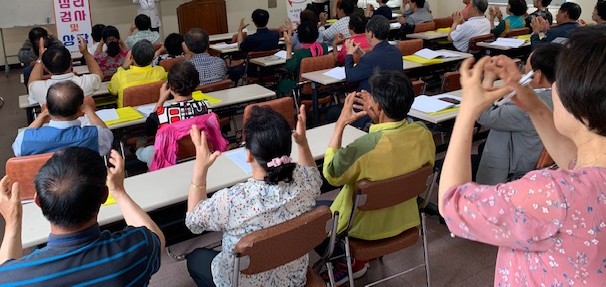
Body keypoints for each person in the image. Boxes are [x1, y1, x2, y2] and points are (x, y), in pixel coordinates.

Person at [439, 25, 606, 287]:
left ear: (580, 103)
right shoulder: (590, 176)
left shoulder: (552, 193)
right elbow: (574, 162)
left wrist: (467, 111)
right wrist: (533, 104)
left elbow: (453, 206)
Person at [185, 105, 322, 287]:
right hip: (294, 280)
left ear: (248, 155)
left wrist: (200, 168)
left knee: (195, 259)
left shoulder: (231, 200)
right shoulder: (306, 182)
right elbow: (313, 174)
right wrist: (303, 144)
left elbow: (193, 223)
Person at [0, 147, 164, 286]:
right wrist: (118, 191)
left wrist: (12, 223)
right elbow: (157, 239)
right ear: (104, 195)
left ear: (38, 201)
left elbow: (0, 276)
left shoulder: (11, 278)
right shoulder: (138, 247)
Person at [322, 72, 436, 285]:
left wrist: (340, 124)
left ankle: (351, 264)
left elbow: (331, 173)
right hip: (406, 218)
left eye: (373, 100)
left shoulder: (364, 148)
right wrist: (377, 110)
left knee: (317, 214)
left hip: (362, 230)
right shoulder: (423, 133)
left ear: (380, 108)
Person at [475, 43, 563, 184]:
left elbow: (482, 114)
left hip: (510, 174)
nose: (523, 70)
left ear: (537, 76)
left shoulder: (528, 107)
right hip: (537, 162)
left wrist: (488, 78)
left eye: (525, 67)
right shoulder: (563, 95)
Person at [328, 15, 404, 130]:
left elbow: (350, 76)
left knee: (332, 112)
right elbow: (377, 63)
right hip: (391, 104)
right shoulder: (396, 51)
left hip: (369, 108)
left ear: (371, 34)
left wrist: (349, 55)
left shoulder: (369, 59)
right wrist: (362, 53)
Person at [136, 62, 209, 168]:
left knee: (144, 146)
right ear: (196, 84)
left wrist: (161, 99)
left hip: (169, 160)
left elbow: (149, 131)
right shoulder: (205, 107)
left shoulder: (162, 114)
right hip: (198, 156)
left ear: (170, 86)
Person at [13, 81, 114, 156]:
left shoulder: (26, 139)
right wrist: (89, 111)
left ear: (47, 107)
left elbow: (17, 149)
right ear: (80, 109)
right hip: (84, 183)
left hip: (45, 184)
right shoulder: (94, 136)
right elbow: (107, 137)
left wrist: (41, 116)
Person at [28, 36, 103, 105]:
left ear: (46, 68)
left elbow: (31, 83)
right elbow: (98, 74)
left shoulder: (40, 88)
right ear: (71, 62)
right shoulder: (85, 82)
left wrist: (40, 58)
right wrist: (85, 52)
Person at [107, 39, 167, 108]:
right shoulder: (160, 71)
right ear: (152, 58)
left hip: (129, 116)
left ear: (131, 57)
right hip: (156, 112)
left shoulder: (120, 76)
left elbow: (112, 91)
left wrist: (123, 68)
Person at [276, 21, 329, 96]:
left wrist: (289, 46)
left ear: (299, 37)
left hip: (302, 87)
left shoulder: (299, 54)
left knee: (282, 84)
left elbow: (289, 67)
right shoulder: (324, 47)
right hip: (323, 85)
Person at [229, 9, 280, 84]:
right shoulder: (275, 35)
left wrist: (240, 30)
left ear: (253, 21)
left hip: (253, 71)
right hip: (271, 69)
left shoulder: (251, 39)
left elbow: (240, 47)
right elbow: (270, 31)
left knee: (233, 71)